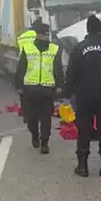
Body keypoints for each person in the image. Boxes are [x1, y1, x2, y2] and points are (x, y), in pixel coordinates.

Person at [65, 15, 101, 177]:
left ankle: (82, 166)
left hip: (84, 95)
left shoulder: (78, 48)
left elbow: (71, 73)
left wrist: (68, 92)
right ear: (99, 29)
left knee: (84, 130)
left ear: (87, 29)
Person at [15, 22, 64, 154]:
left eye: (46, 34)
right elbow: (21, 67)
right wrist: (19, 85)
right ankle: (34, 135)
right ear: (37, 34)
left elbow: (58, 69)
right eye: (42, 34)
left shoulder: (54, 49)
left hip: (47, 88)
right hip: (30, 87)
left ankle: (44, 142)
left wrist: (59, 85)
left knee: (45, 117)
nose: (44, 37)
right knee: (30, 117)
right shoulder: (28, 48)